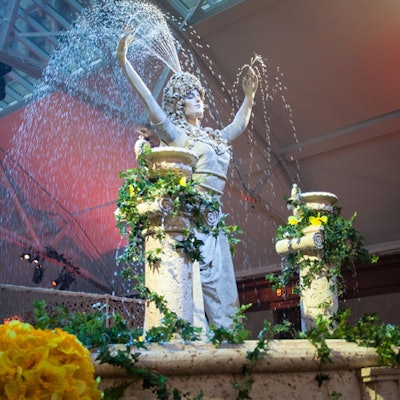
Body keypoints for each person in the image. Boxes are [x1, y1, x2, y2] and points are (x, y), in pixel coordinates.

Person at [117, 26, 258, 329]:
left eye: (200, 95)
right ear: (179, 102)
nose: (199, 100)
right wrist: (124, 62)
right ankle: (192, 338)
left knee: (222, 288)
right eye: (192, 96)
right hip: (189, 215)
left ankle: (229, 339)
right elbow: (149, 103)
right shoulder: (176, 135)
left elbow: (239, 124)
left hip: (214, 217)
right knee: (190, 282)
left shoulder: (215, 137)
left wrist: (249, 96)